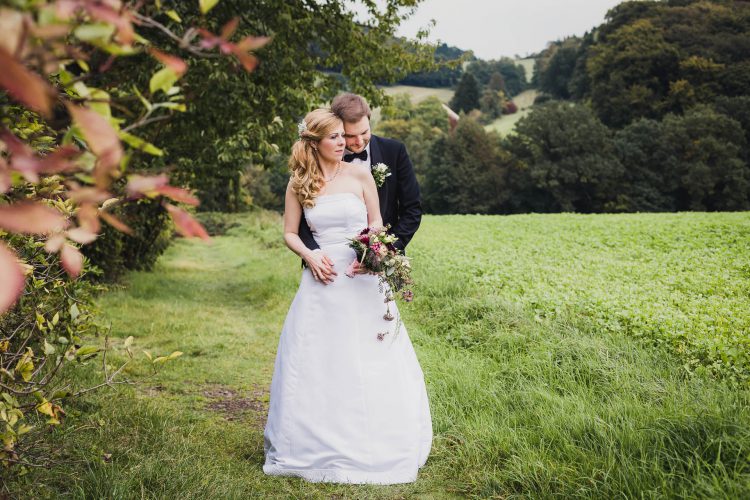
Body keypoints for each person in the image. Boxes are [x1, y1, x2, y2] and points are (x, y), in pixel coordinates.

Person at [262, 108, 432, 484]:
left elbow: (375, 224)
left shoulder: (360, 175)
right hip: (322, 278)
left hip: (362, 277)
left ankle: (379, 439)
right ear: (315, 143)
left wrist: (373, 255)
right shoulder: (298, 182)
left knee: (372, 355)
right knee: (321, 358)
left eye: (345, 136)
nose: (345, 143)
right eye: (336, 137)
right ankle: (311, 441)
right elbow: (290, 232)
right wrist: (309, 255)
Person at [298, 93, 422, 284]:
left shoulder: (394, 151)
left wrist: (382, 252)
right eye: (350, 136)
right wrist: (313, 254)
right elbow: (301, 218)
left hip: (377, 264)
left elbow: (412, 210)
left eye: (364, 132)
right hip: (326, 266)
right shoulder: (312, 163)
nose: (359, 141)